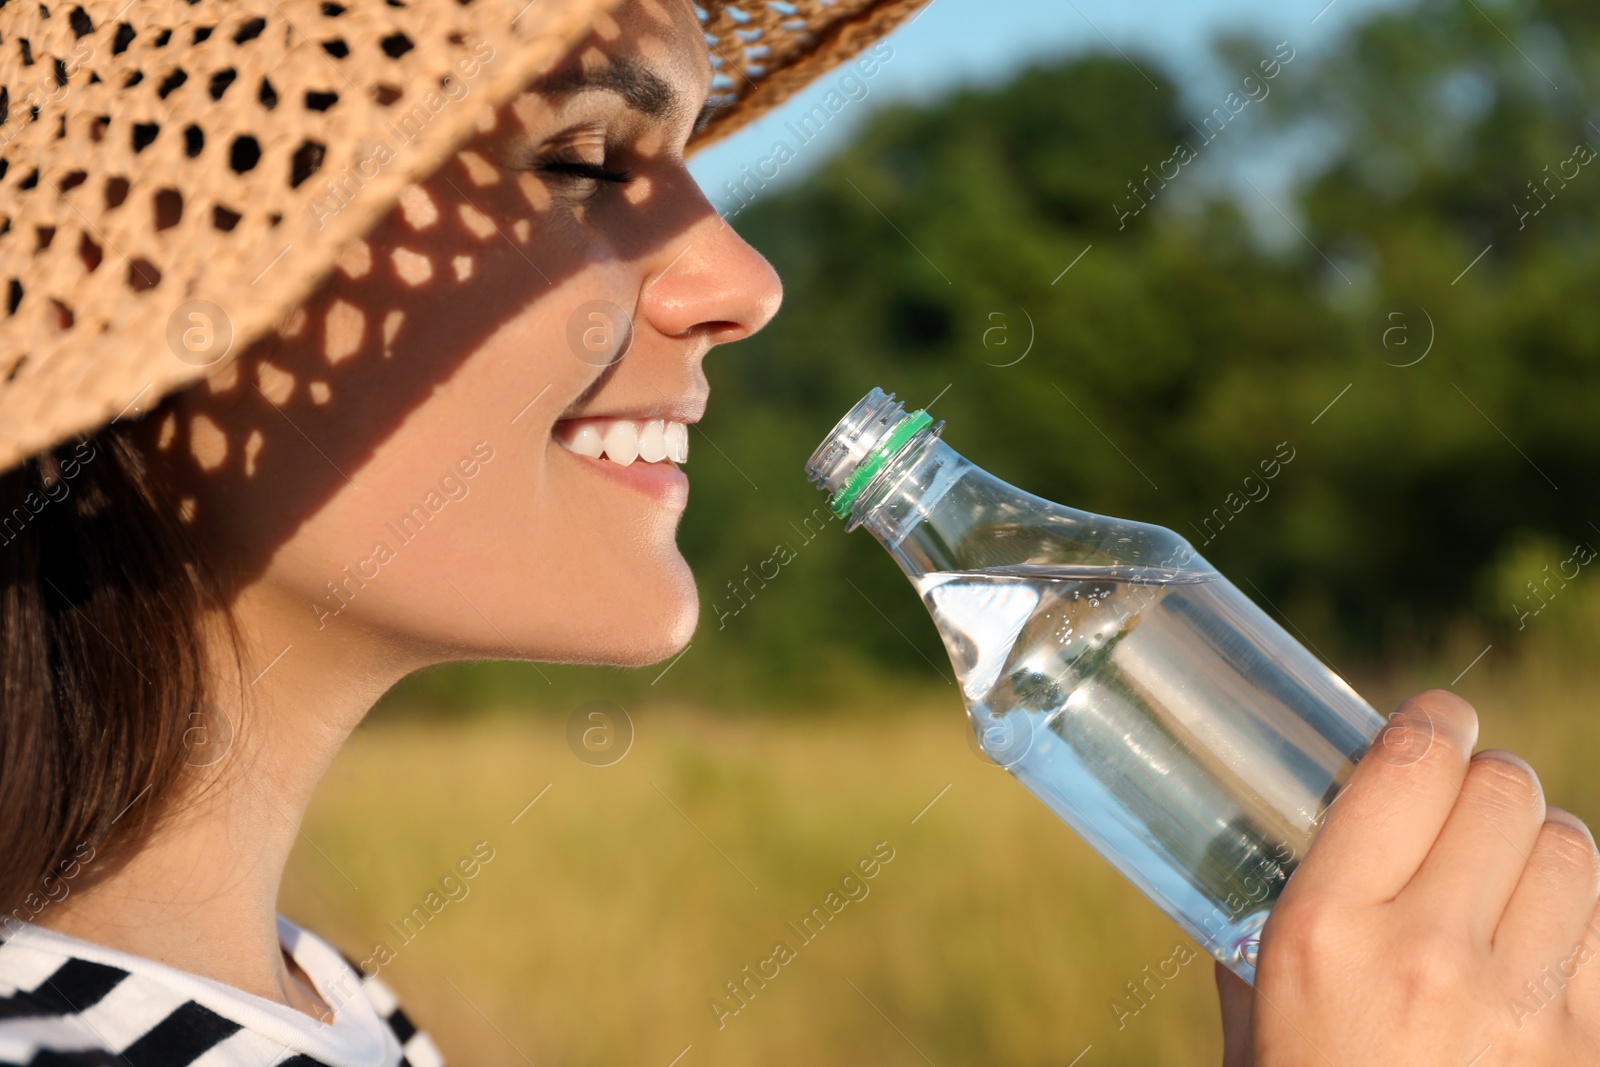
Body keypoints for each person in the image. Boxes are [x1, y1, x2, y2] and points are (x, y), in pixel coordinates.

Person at [0, 0, 1594, 1064]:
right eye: (582, 160)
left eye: (696, 159)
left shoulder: (310, 1004)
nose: (741, 281)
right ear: (147, 271)